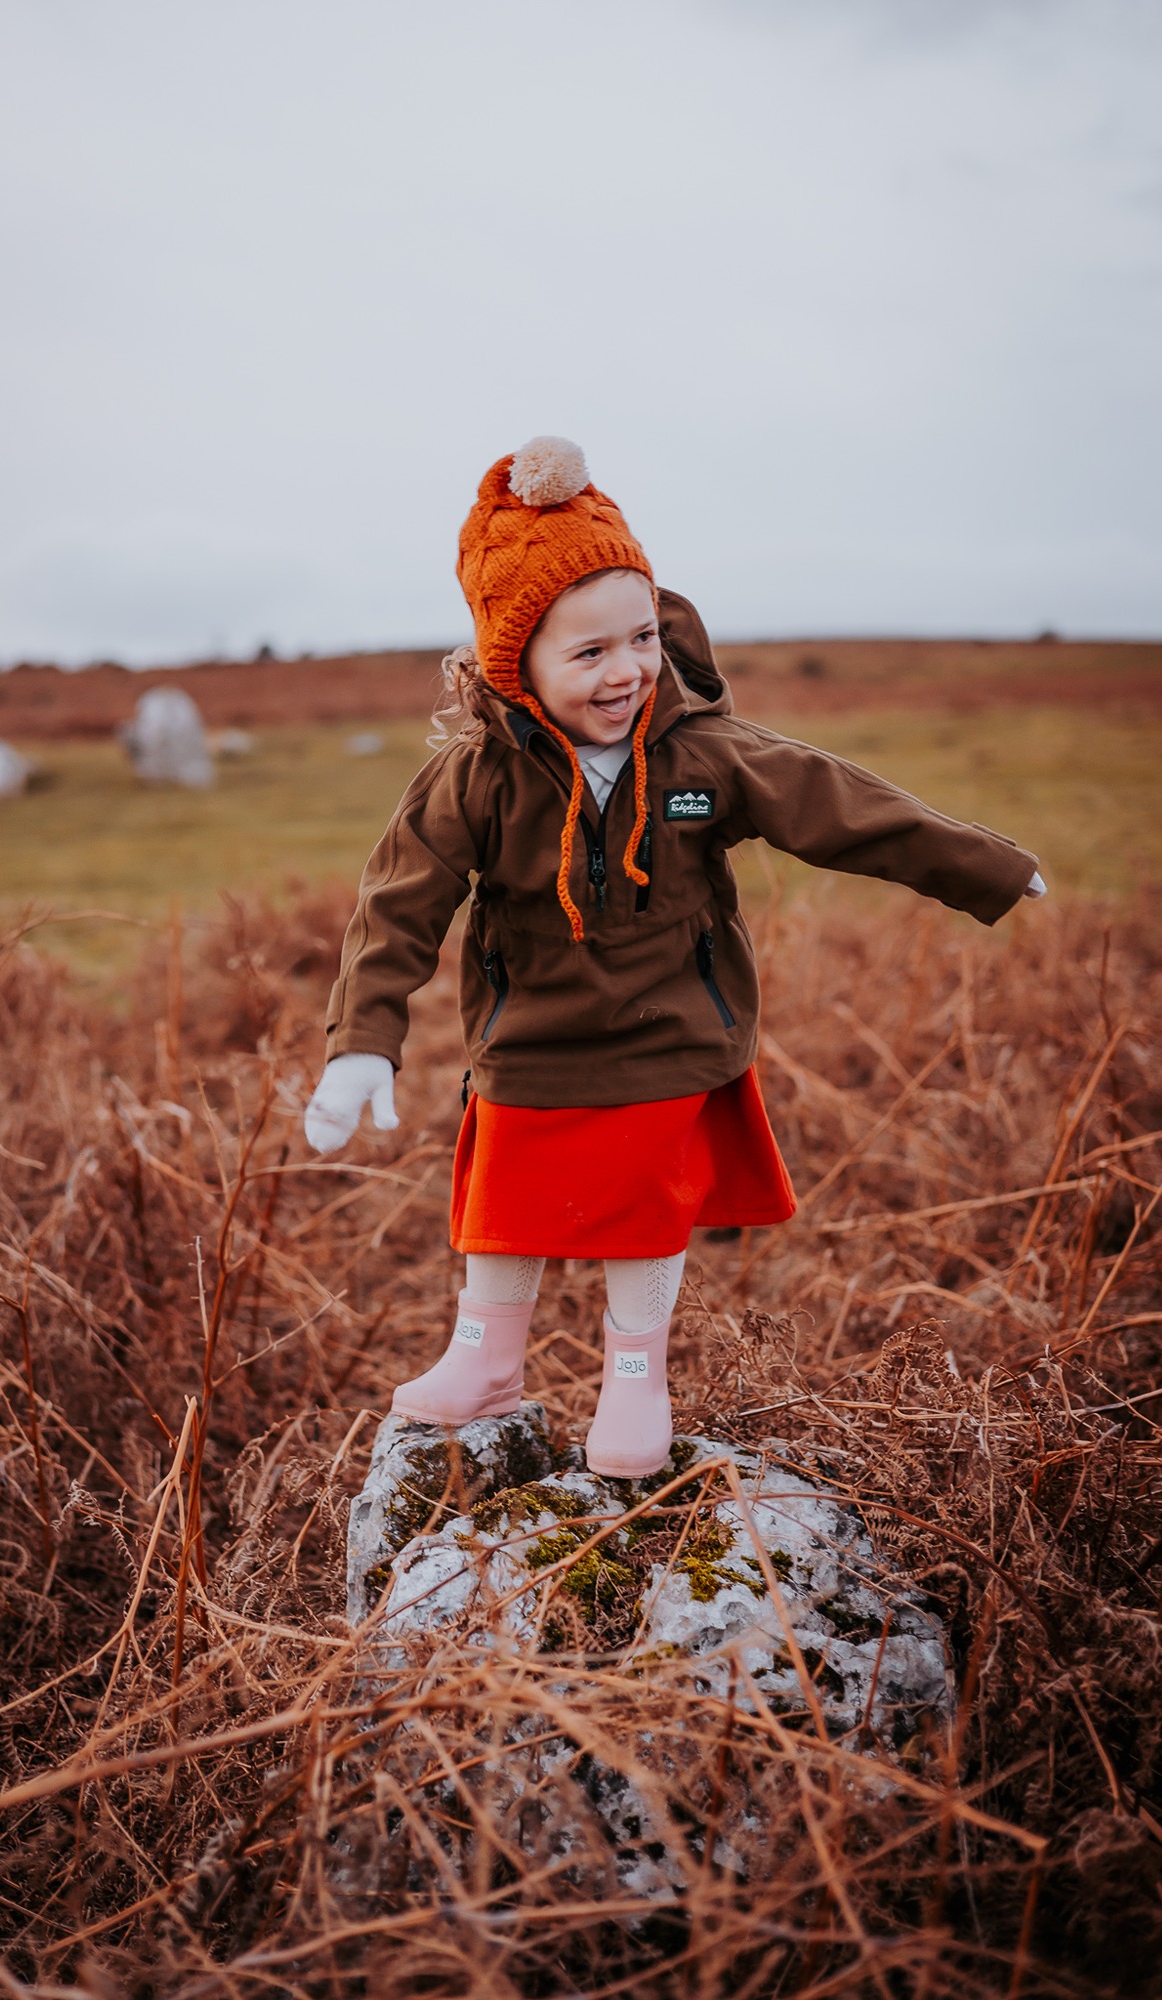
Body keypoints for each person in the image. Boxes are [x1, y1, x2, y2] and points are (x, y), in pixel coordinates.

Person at [304, 437, 1045, 1477]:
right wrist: (360, 1045)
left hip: (669, 1031)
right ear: (517, 665)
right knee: (502, 1201)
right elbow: (396, 911)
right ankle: (485, 1359)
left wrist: (988, 868)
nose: (626, 670)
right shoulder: (474, 781)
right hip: (529, 1038)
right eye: (589, 652)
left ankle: (634, 1382)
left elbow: (843, 806)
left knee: (644, 1215)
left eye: (640, 637)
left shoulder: (703, 752)